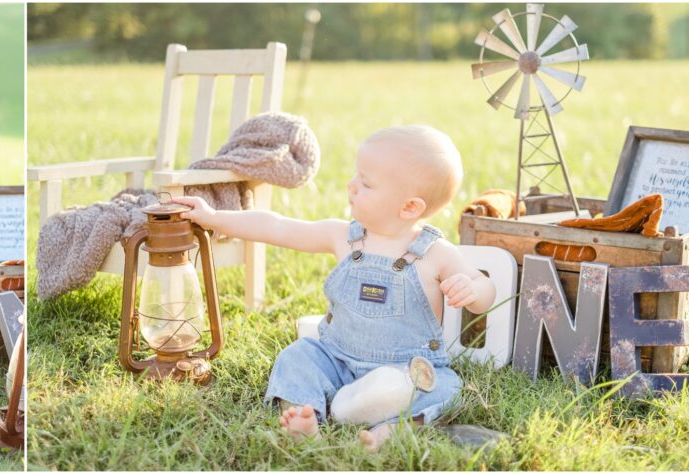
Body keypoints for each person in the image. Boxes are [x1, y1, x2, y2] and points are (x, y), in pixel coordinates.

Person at [172, 125, 496, 450]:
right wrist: (214, 217)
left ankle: (396, 429)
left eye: (366, 183)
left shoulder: (435, 253)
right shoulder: (343, 236)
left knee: (446, 387)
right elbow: (278, 226)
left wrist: (471, 289)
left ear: (410, 207)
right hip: (336, 359)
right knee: (298, 357)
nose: (351, 186)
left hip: (404, 371)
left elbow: (485, 288)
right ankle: (302, 414)